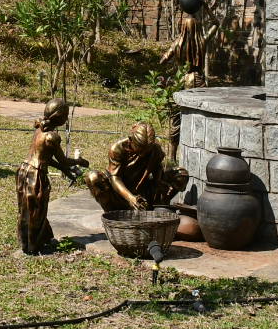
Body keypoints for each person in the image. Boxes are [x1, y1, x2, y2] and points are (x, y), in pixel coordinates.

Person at [15, 99, 90, 255]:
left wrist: (66, 171)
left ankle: (36, 240)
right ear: (61, 118)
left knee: (27, 209)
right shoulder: (52, 136)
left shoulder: (39, 129)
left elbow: (46, 158)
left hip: (24, 170)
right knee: (36, 210)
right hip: (36, 175)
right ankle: (33, 246)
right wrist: (79, 161)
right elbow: (63, 160)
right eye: (66, 115)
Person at [81, 122, 188, 212]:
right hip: (119, 192)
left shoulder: (155, 150)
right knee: (93, 177)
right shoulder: (117, 149)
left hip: (143, 191)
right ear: (131, 140)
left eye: (147, 150)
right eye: (140, 149)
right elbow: (115, 178)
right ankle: (112, 214)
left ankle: (158, 210)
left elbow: (157, 174)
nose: (143, 154)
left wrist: (161, 183)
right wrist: (130, 198)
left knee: (181, 174)